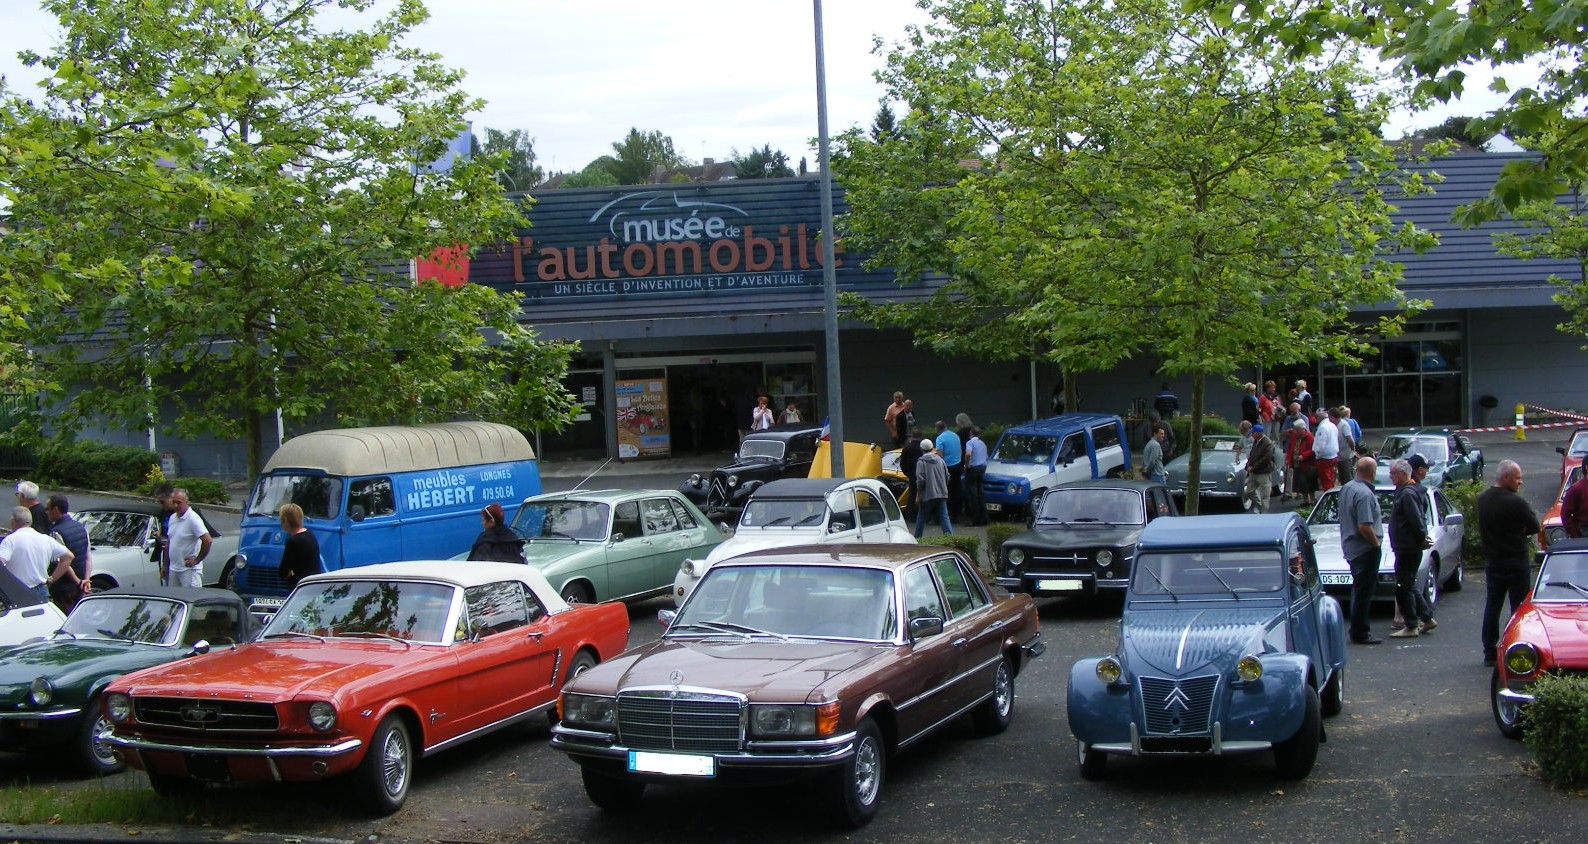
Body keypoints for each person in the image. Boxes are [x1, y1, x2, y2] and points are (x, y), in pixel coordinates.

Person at [1477, 460, 1541, 666]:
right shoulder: (1515, 502)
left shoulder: (1483, 500)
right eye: (1517, 477)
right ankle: (1517, 646)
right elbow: (1535, 525)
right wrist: (1520, 529)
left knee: (1492, 605)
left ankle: (1489, 651)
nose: (1520, 482)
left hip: (1493, 561)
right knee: (1519, 608)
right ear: (1505, 477)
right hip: (1516, 561)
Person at [1387, 459, 1435, 638]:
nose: (1390, 476)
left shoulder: (1407, 494)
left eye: (1393, 473)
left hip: (1407, 547)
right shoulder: (1407, 491)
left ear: (1403, 474)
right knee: (1408, 584)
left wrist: (1422, 537)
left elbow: (1416, 520)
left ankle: (1411, 625)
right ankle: (1427, 618)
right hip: (1406, 545)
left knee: (1403, 587)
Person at [1340, 457, 1384, 645]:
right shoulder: (1364, 494)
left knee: (1359, 589)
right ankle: (1360, 632)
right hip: (1364, 548)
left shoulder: (1347, 488)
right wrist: (1376, 544)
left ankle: (1358, 630)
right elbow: (1364, 526)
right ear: (1372, 473)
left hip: (1351, 546)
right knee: (1363, 591)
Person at [0, 506, 73, 600]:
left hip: (17, 591)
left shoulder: (10, 540)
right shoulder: (46, 539)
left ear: (13, 522)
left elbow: (1, 562)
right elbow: (68, 557)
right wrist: (52, 579)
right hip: (41, 590)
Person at [44, 495, 91, 613]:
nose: (46, 512)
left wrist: (77, 581)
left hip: (64, 586)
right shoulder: (81, 527)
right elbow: (87, 557)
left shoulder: (56, 532)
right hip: (80, 584)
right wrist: (86, 580)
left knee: (66, 618)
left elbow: (63, 562)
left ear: (55, 509)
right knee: (77, 614)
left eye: (48, 508)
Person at [164, 488, 212, 589]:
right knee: (173, 597)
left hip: (189, 571)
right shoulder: (172, 518)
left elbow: (207, 540)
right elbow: (170, 542)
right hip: (174, 569)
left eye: (179, 502)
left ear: (187, 502)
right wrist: (165, 565)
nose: (175, 505)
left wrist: (197, 560)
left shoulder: (193, 518)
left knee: (191, 597)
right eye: (173, 502)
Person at [277, 503, 323, 588]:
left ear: (285, 520)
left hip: (300, 586)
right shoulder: (309, 534)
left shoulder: (293, 542)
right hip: (313, 584)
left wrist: (291, 572)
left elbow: (283, 572)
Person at [913, 439, 952, 538]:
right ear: (932, 448)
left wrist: (918, 494)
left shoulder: (921, 462)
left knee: (921, 517)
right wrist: (943, 487)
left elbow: (920, 480)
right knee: (944, 517)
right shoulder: (940, 460)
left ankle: (917, 539)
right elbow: (947, 476)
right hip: (942, 493)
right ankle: (950, 539)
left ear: (921, 449)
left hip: (928, 494)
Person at [1243, 424, 1277, 513]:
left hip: (1264, 472)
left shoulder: (1268, 443)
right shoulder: (1256, 441)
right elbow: (1252, 455)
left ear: (1259, 433)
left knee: (1265, 495)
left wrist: (1253, 467)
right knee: (1249, 491)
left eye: (1253, 433)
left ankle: (1264, 514)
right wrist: (1248, 465)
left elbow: (1266, 458)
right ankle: (1259, 506)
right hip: (1254, 472)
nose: (1252, 435)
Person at [935, 420, 964, 522]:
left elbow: (939, 457)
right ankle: (956, 513)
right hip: (958, 465)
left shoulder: (940, 439)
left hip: (947, 467)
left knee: (946, 491)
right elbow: (960, 451)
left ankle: (946, 514)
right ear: (945, 426)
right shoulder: (955, 435)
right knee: (957, 489)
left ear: (937, 429)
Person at [1288, 417, 1318, 505]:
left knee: (1310, 483)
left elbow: (1313, 450)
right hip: (1297, 464)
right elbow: (1290, 448)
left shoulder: (1309, 437)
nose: (1295, 431)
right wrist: (1288, 459)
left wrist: (1303, 456)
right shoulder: (1294, 437)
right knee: (1301, 483)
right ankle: (1305, 500)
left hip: (1307, 464)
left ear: (1302, 429)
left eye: (1297, 430)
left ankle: (1312, 499)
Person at [964, 427, 989, 526]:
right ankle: (984, 517)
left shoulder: (970, 443)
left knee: (972, 494)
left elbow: (968, 454)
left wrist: (967, 465)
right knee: (980, 492)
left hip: (973, 468)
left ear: (971, 433)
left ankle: (976, 519)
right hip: (982, 468)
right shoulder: (982, 443)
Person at [1313, 407, 1341, 491]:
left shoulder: (1323, 427)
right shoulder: (1332, 425)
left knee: (1326, 480)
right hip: (1333, 455)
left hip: (1324, 458)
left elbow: (1321, 444)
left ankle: (1329, 495)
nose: (1316, 419)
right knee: (1331, 478)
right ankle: (1331, 493)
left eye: (1316, 417)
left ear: (1319, 417)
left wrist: (1318, 455)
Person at [1560, 454, 1588, 538]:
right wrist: (1575, 535)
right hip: (1584, 532)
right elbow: (1565, 514)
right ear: (1587, 467)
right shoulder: (1577, 488)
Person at [899, 429, 924, 518]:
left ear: (911, 437)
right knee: (923, 493)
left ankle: (911, 515)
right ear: (920, 437)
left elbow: (902, 463)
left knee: (912, 494)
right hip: (923, 474)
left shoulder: (907, 448)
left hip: (912, 474)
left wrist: (907, 473)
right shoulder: (922, 448)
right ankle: (923, 514)